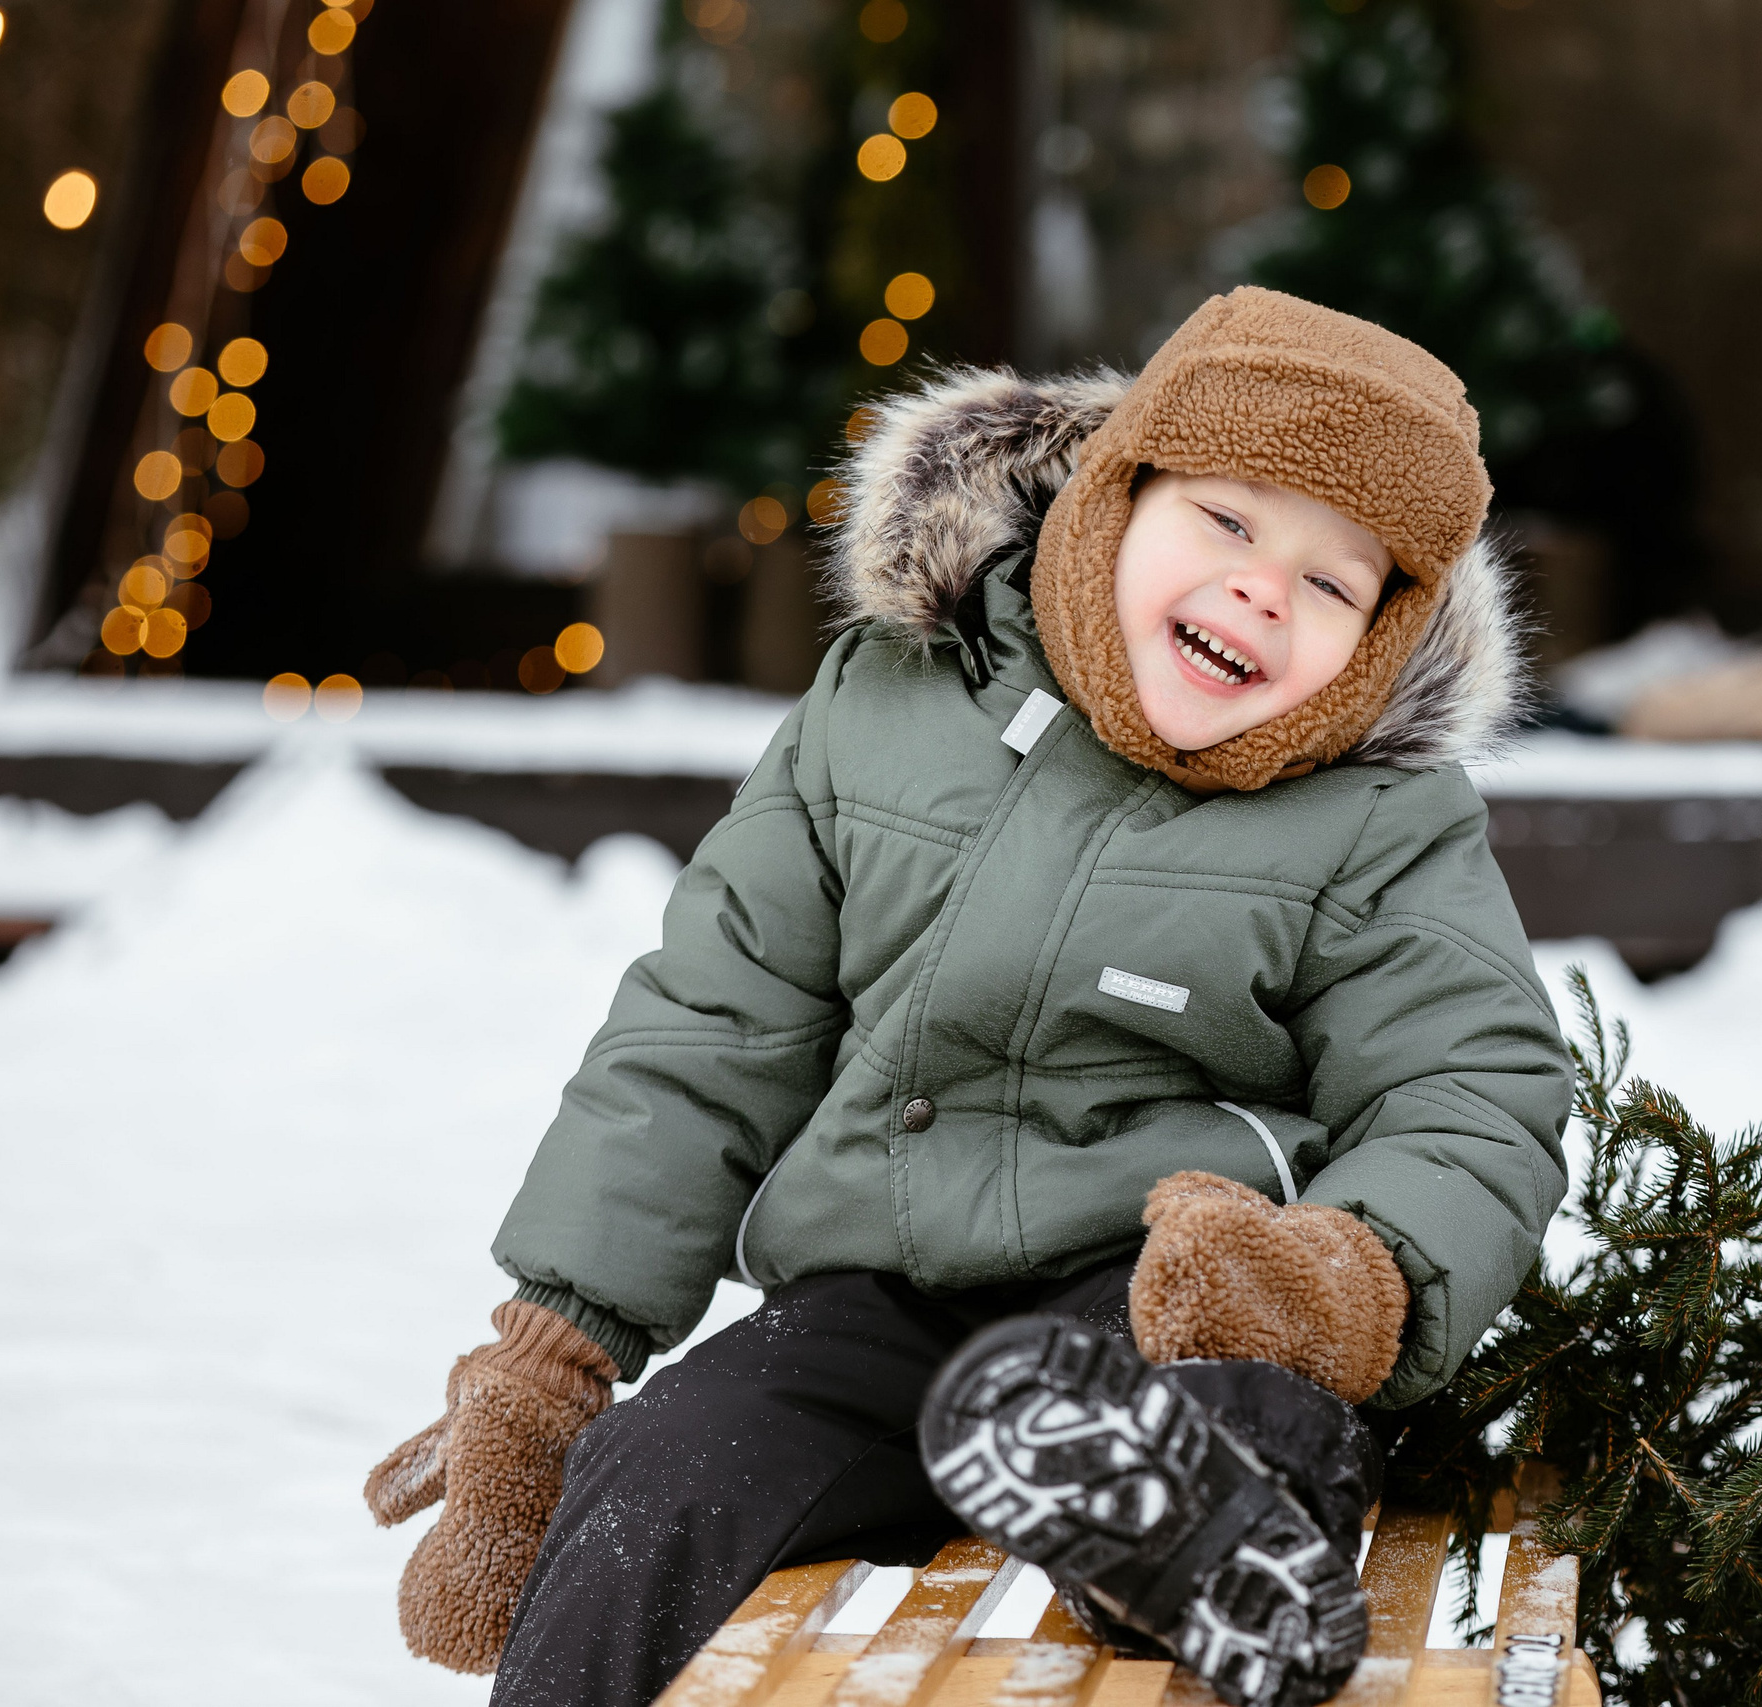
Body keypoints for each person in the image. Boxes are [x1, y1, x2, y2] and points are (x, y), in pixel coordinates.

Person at [364, 288, 1571, 1707]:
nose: (1261, 589)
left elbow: (1471, 1092)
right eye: (1228, 523)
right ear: (1114, 496)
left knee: (1216, 1405)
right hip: (876, 1291)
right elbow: (708, 1029)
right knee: (662, 1472)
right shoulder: (882, 706)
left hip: (1152, 1293)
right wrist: (555, 1356)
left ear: (1382, 636)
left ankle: (1219, 1547)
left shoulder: (1378, 822)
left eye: (1330, 581)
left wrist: (1338, 1279)